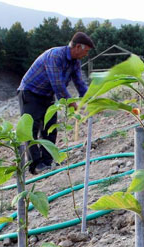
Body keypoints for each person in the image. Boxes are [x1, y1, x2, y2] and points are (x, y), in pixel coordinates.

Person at [17, 32, 94, 175]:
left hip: (47, 95)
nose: (86, 54)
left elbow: (80, 83)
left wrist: (89, 99)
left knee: (50, 128)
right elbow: (58, 85)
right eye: (86, 51)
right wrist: (71, 104)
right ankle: (36, 165)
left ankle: (47, 161)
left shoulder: (75, 62)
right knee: (31, 130)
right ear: (78, 47)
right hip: (30, 92)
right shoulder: (55, 56)